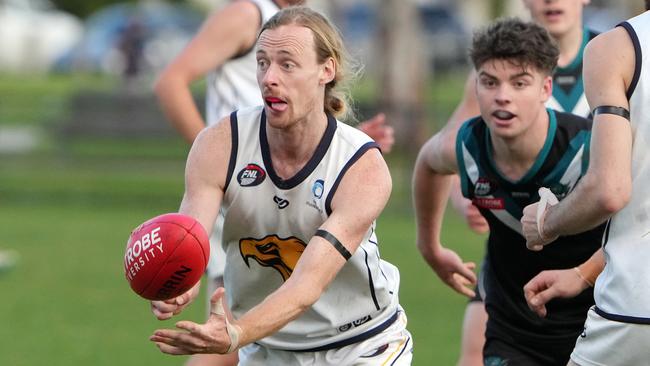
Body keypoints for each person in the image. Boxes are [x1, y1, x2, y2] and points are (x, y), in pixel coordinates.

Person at [149, 6, 412, 365]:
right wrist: (179, 283)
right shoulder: (218, 144)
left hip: (361, 346)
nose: (269, 77)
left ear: (326, 70)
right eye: (262, 62)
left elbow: (307, 286)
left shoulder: (361, 165)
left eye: (287, 64)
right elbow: (190, 239)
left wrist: (235, 334)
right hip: (269, 351)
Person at [413, 18, 604, 365]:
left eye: (519, 83)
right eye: (489, 82)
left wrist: (582, 275)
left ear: (546, 89)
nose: (503, 96)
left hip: (597, 323)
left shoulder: (587, 147)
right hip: (513, 331)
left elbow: (639, 230)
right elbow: (427, 163)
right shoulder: (467, 145)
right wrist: (430, 246)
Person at [522, 5, 650, 366]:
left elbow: (609, 190)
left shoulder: (617, 48)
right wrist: (583, 274)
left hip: (635, 310)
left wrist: (544, 224)